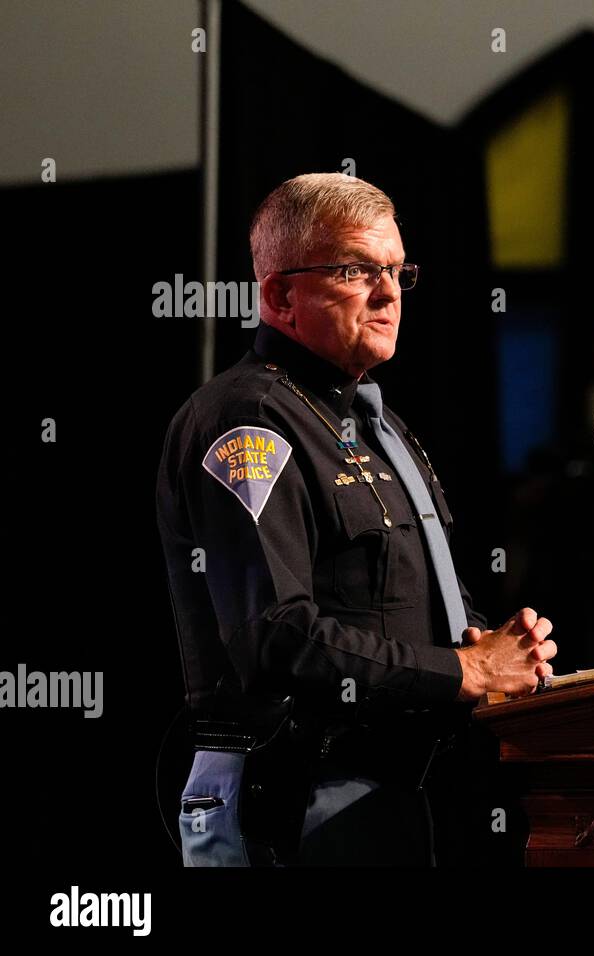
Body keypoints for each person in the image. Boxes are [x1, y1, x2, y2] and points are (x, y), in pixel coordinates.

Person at [156, 172, 555, 865]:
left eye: (398, 271)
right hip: (296, 800)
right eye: (355, 270)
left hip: (403, 796)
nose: (389, 292)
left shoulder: (379, 424)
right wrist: (462, 670)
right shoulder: (249, 420)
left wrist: (494, 647)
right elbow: (274, 636)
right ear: (279, 294)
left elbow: (400, 600)